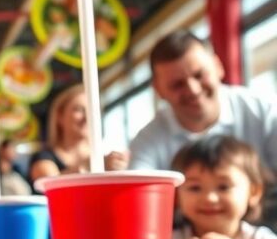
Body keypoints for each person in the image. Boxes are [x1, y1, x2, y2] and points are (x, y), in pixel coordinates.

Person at [106, 30, 277, 175]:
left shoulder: (263, 112)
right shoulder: (147, 141)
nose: (193, 90)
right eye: (177, 84)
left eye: (199, 75)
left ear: (218, 66)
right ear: (159, 90)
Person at [28, 84, 90, 186]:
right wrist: (90, 166)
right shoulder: (43, 158)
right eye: (79, 110)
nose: (87, 117)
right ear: (59, 116)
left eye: (91, 111)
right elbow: (50, 184)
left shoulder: (104, 155)